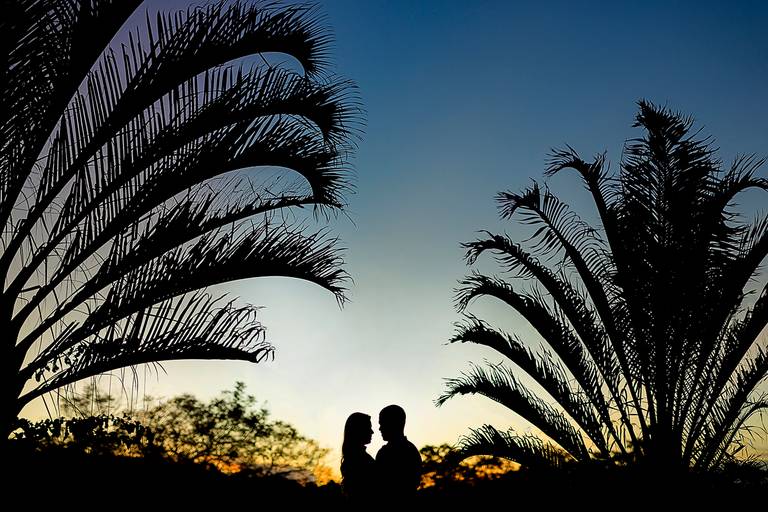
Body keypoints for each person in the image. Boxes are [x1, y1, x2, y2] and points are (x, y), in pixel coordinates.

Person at [375, 404, 422, 499]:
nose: (380, 428)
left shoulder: (407, 451)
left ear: (394, 423)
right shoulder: (411, 450)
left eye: (382, 424)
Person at [340, 412, 376, 500]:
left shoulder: (354, 458)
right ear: (359, 430)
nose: (372, 432)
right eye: (369, 428)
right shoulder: (360, 460)